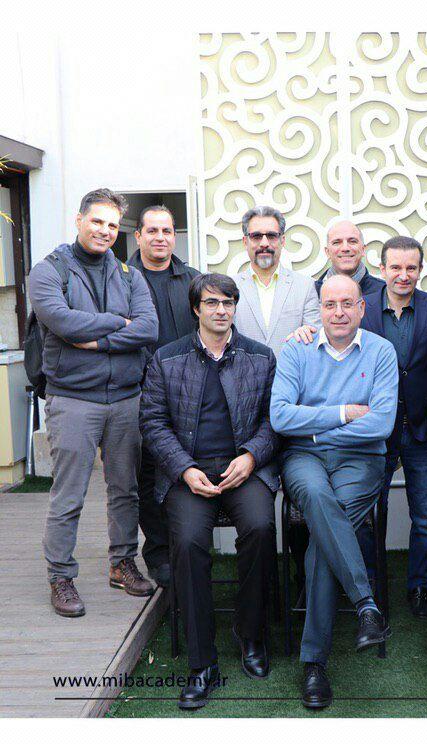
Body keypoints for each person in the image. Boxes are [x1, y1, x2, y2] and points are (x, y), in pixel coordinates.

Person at [140, 273, 278, 710]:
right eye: (213, 302)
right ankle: (202, 662)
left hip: (243, 469)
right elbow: (152, 423)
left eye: (228, 302)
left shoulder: (260, 357)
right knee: (187, 542)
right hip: (189, 473)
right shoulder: (167, 358)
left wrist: (252, 456)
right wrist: (184, 469)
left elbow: (274, 420)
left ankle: (250, 634)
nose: (221, 310)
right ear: (196, 309)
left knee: (260, 527)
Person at [28, 188, 158, 617]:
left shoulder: (129, 274)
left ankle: (122, 564)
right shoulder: (48, 271)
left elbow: (149, 327)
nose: (104, 230)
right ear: (79, 220)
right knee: (69, 495)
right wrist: (119, 323)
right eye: (97, 221)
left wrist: (99, 339)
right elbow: (62, 321)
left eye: (112, 224)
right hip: (72, 400)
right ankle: (61, 577)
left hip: (126, 399)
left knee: (125, 490)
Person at [270, 274, 398, 710]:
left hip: (360, 461)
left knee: (325, 535)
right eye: (330, 305)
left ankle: (314, 663)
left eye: (347, 304)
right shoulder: (297, 350)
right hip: (303, 459)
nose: (338, 312)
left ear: (362, 308)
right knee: (321, 501)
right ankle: (366, 605)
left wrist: (316, 428)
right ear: (319, 309)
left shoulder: (381, 351)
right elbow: (280, 417)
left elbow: (381, 423)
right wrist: (343, 413)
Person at [354, 235, 427, 618]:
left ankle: (420, 586)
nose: (403, 275)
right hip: (374, 428)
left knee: (425, 516)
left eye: (411, 267)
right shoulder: (362, 309)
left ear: (420, 269)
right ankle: (372, 587)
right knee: (370, 513)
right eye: (395, 267)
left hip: (422, 427)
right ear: (382, 268)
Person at [127, 204, 200, 588]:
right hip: (134, 394)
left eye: (167, 230)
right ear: (138, 236)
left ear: (175, 236)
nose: (160, 237)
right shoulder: (120, 279)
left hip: (187, 397)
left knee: (182, 468)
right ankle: (158, 554)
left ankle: (188, 548)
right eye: (152, 231)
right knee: (145, 475)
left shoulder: (192, 280)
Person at [233, 205, 320, 355]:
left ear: (282, 241)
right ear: (245, 241)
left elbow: (315, 338)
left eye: (271, 236)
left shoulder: (305, 287)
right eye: (256, 236)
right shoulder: (230, 288)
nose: (264, 243)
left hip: (291, 369)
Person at [314, 219, 385, 298]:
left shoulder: (383, 292)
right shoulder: (312, 293)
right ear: (327, 252)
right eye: (337, 242)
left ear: (363, 250)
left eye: (352, 241)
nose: (345, 248)